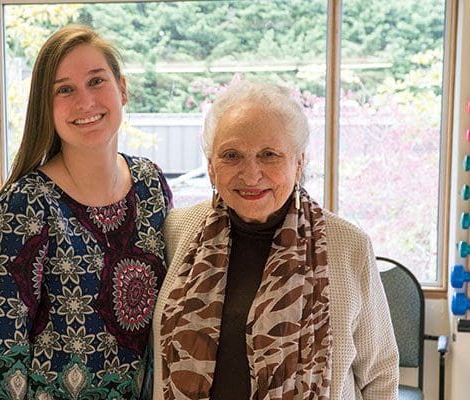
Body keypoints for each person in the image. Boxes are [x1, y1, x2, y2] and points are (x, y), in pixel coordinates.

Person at [151, 80, 398, 399]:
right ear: (211, 168)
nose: (251, 174)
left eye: (269, 155)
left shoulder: (348, 246)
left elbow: (380, 375)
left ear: (298, 163)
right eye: (231, 155)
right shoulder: (179, 229)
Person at [0, 25, 172, 400]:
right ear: (46, 107)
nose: (85, 102)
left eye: (97, 81)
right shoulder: (25, 206)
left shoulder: (150, 184)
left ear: (122, 89)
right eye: (64, 89)